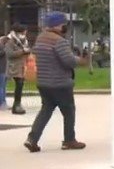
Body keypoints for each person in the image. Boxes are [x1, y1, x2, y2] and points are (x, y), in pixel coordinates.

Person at [24, 12, 85, 152]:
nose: (65, 27)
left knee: (45, 111)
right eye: (64, 24)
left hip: (43, 82)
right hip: (60, 83)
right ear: (57, 25)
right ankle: (69, 140)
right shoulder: (59, 41)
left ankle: (32, 139)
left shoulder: (40, 39)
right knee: (69, 111)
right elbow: (68, 61)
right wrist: (80, 60)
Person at [5, 23, 30, 115]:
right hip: (14, 67)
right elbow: (9, 54)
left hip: (22, 66)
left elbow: (26, 49)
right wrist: (22, 51)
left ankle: (17, 104)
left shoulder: (24, 40)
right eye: (24, 31)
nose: (26, 32)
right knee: (19, 84)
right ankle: (16, 105)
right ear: (20, 31)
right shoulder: (10, 40)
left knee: (20, 85)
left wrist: (27, 51)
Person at [0, 33, 7, 109]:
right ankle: (3, 102)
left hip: (2, 70)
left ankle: (2, 103)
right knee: (3, 87)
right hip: (4, 70)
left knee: (1, 87)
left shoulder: (2, 48)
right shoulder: (5, 49)